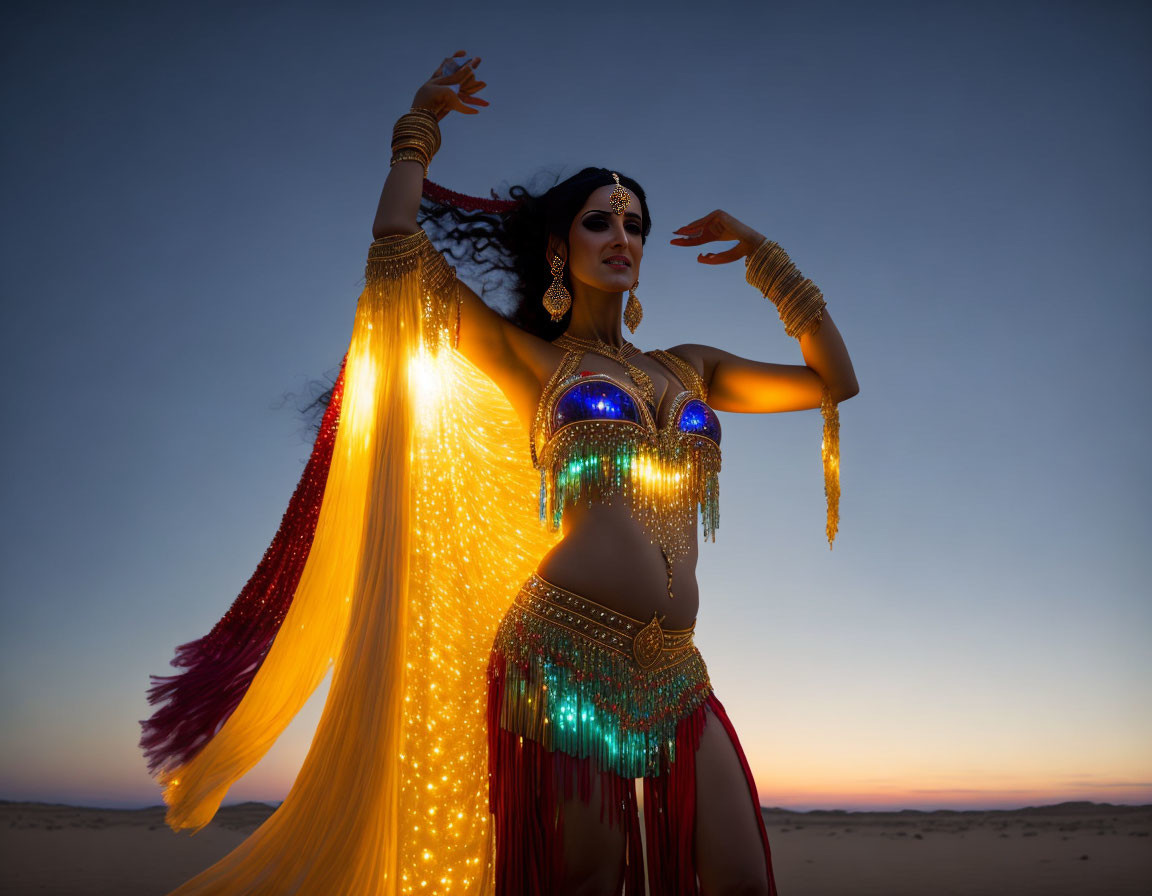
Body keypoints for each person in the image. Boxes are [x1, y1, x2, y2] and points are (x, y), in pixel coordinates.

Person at [141, 50, 858, 896]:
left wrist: (767, 260)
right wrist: (417, 133)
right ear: (561, 246)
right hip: (558, 656)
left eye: (635, 224)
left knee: (740, 878)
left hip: (675, 668)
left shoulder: (689, 366)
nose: (622, 237)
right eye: (600, 222)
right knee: (583, 881)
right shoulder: (530, 361)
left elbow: (830, 382)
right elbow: (397, 245)